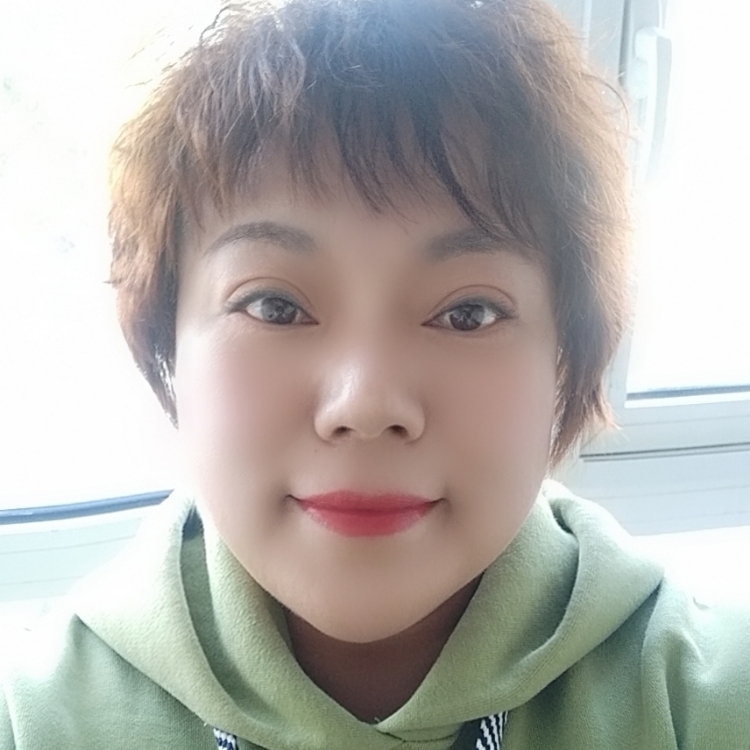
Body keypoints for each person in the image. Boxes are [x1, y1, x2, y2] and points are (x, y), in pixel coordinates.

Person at [2, 0, 748, 747]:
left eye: (468, 314)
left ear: (567, 354)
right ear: (168, 337)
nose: (365, 403)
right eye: (274, 306)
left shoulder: (704, 699)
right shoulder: (37, 719)